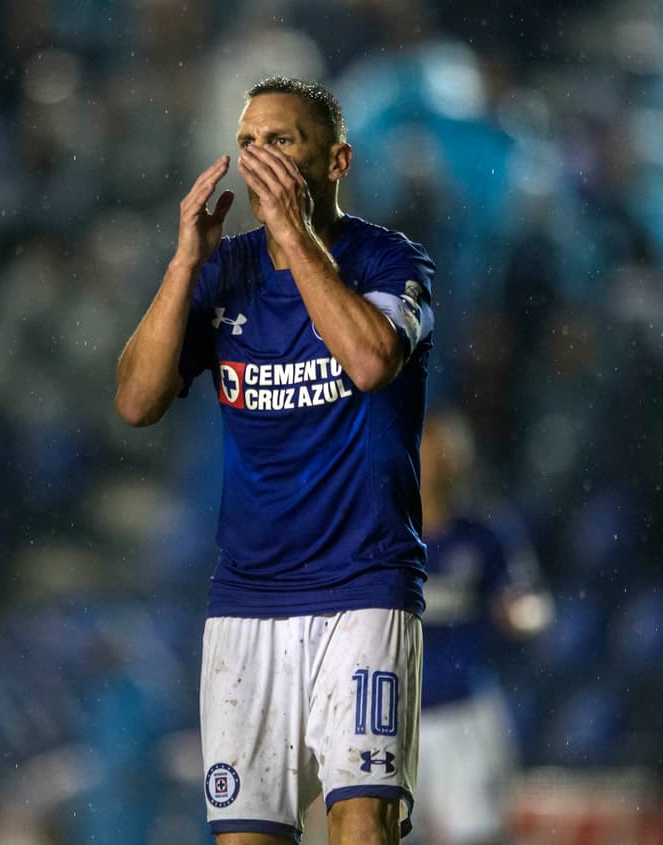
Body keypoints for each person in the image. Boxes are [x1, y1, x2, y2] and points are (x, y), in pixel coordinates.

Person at [115, 76, 435, 844]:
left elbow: (369, 359)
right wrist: (183, 264)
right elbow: (135, 400)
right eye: (249, 141)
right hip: (247, 600)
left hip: (364, 585)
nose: (258, 158)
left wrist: (294, 238)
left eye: (282, 141)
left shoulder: (392, 260)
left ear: (336, 161)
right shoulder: (225, 271)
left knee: (362, 825)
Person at [411, 408, 552, 845]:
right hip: (395, 715)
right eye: (429, 451)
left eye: (446, 453)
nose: (437, 464)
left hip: (463, 713)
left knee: (480, 835)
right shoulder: (385, 533)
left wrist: (524, 614)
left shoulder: (485, 534)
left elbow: (530, 602)